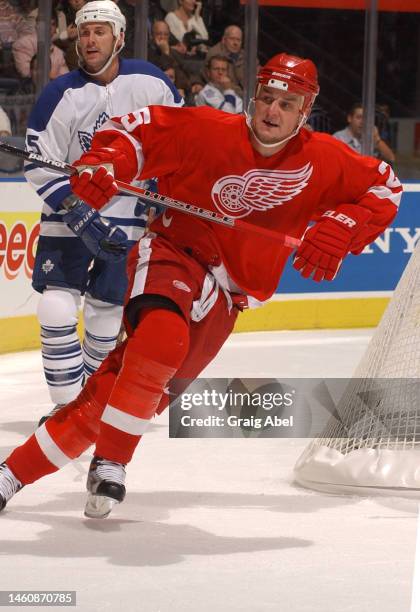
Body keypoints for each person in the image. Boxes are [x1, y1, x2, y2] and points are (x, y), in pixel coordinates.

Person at [0, 53, 401, 518]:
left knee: (115, 394)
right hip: (174, 252)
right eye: (267, 98)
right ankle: (112, 461)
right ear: (254, 97)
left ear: (304, 112)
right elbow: (137, 132)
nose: (272, 111)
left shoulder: (324, 159)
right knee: (161, 342)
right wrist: (106, 161)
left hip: (229, 296)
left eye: (286, 104)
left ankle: (11, 473)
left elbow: (385, 186)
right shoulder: (206, 129)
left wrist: (347, 221)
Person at [23, 0, 182, 426]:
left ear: (120, 37)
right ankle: (65, 407)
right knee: (56, 307)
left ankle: (92, 403)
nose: (90, 39)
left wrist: (157, 194)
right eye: (84, 31)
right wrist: (73, 207)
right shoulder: (61, 93)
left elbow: (179, 141)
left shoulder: (151, 83)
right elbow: (37, 161)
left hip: (127, 217)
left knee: (107, 312)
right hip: (66, 217)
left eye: (99, 31)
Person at [12, 14, 69, 80]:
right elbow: (26, 72)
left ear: (56, 29)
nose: (49, 27)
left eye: (53, 24)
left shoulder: (58, 53)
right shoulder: (23, 44)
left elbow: (66, 78)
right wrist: (54, 77)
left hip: (52, 88)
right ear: (37, 26)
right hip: (30, 88)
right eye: (46, 23)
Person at [205, 25, 246, 96]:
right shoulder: (214, 55)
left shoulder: (246, 56)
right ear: (224, 40)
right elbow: (220, 83)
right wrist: (245, 96)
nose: (235, 43)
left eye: (238, 40)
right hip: (224, 95)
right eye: (232, 39)